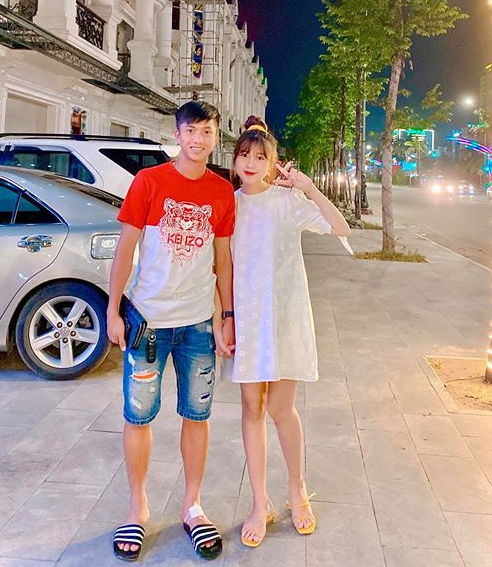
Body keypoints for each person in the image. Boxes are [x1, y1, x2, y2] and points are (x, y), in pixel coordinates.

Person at [107, 101, 235, 562]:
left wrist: (227, 315)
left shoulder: (222, 191)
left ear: (215, 137)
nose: (199, 139)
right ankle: (137, 508)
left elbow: (223, 260)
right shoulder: (149, 182)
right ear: (177, 134)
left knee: (197, 415)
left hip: (198, 323)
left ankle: (192, 506)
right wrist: (113, 308)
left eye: (207, 131)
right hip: (148, 323)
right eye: (191, 131)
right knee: (138, 415)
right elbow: (125, 249)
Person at [215, 116, 351, 548]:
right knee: (251, 408)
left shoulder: (287, 202)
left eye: (261, 157)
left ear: (274, 164)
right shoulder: (228, 204)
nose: (251, 163)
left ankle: (297, 489)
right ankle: (260, 502)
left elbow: (340, 227)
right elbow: (219, 267)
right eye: (244, 155)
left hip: (285, 317)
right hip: (246, 319)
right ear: (234, 160)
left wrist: (308, 188)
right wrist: (224, 317)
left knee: (281, 408)